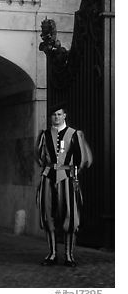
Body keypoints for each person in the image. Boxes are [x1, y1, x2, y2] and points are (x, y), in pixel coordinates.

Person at [35, 103, 93, 267]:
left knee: (71, 215)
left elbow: (82, 159)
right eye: (54, 115)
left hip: (67, 177)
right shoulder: (44, 135)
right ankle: (52, 253)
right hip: (48, 177)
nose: (56, 117)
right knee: (48, 214)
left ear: (65, 115)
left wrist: (71, 172)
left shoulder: (75, 134)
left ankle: (69, 255)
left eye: (59, 114)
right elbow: (39, 156)